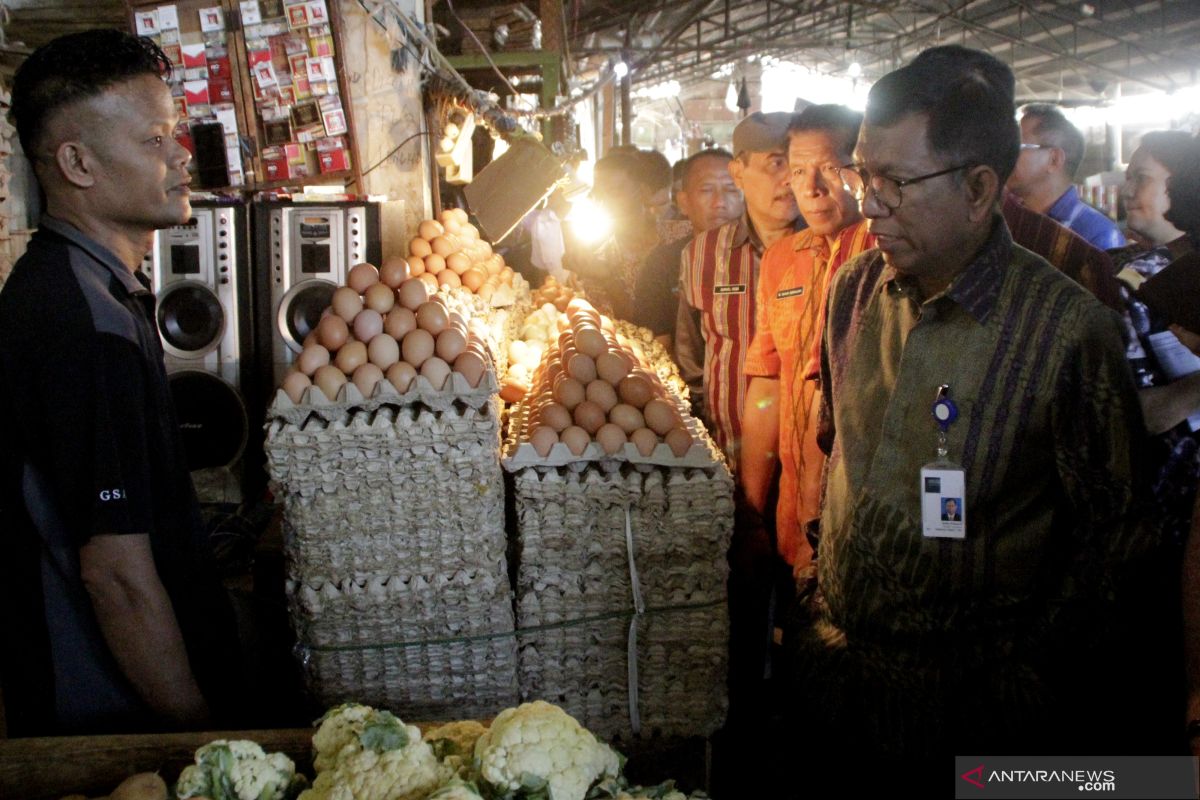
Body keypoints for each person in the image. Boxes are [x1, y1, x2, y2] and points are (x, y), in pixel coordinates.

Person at [785, 44, 1153, 770]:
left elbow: (1113, 544)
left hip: (982, 722)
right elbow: (837, 448)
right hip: (845, 684)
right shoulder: (856, 290)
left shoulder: (1066, 331)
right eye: (865, 172)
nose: (868, 202)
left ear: (980, 187)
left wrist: (1023, 683)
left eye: (896, 181)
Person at [0, 30, 241, 736]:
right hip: (106, 712)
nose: (181, 156)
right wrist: (198, 735)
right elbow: (115, 574)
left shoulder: (77, 288)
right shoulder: (82, 329)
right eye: (154, 141)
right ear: (77, 163)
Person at [741, 105, 874, 573]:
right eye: (798, 170)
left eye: (830, 169)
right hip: (793, 518)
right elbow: (768, 385)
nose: (810, 188)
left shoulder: (886, 254)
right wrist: (751, 510)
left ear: (862, 171)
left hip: (863, 521)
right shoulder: (782, 260)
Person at [675, 111, 803, 469]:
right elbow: (692, 359)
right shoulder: (703, 254)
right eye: (776, 163)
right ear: (738, 173)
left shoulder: (827, 250)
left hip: (807, 468)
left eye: (797, 164)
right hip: (726, 458)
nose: (790, 179)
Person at [630, 149, 743, 347]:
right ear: (684, 202)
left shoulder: (763, 260)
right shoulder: (662, 264)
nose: (720, 202)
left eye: (731, 189)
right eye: (707, 190)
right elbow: (657, 345)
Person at [1006, 103, 1126, 249]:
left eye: (1017, 146)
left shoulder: (1097, 236)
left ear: (1054, 160)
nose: (1006, 154)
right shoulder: (1006, 221)